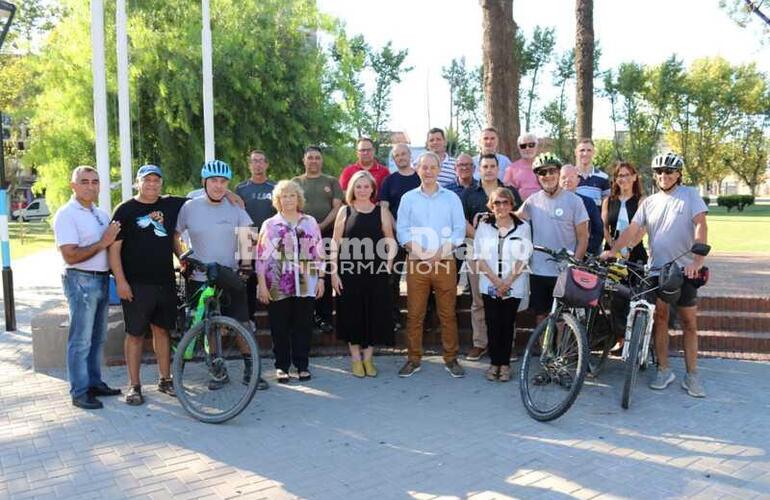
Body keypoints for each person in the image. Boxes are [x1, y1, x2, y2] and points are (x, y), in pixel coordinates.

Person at [602, 152, 709, 398]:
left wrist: (697, 261)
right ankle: (663, 369)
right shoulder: (649, 202)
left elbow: (701, 225)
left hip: (685, 269)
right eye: (659, 172)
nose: (664, 175)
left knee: (689, 323)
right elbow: (633, 230)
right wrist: (614, 251)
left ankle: (692, 375)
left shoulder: (690, 195)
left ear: (678, 174)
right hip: (656, 270)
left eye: (669, 171)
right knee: (659, 318)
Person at [174, 160, 264, 390]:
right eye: (213, 180)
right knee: (209, 325)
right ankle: (217, 370)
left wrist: (246, 265)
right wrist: (183, 256)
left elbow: (247, 235)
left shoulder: (234, 207)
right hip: (199, 276)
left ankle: (251, 370)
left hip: (229, 275)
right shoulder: (190, 207)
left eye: (223, 181)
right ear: (204, 182)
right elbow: (175, 234)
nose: (218, 185)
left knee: (242, 322)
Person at [109, 165, 186, 405]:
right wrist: (120, 281)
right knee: (135, 334)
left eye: (156, 180)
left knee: (162, 331)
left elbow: (204, 197)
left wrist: (232, 196)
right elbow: (114, 249)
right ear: (137, 183)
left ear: (161, 183)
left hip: (165, 282)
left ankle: (165, 379)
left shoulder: (170, 204)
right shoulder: (125, 210)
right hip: (135, 284)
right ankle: (134, 386)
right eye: (147, 180)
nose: (152, 184)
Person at [53, 166, 122, 410]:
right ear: (73, 185)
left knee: (97, 337)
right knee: (80, 340)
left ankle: (94, 383)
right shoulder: (66, 215)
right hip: (80, 280)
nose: (90, 186)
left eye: (95, 181)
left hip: (102, 279)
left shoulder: (100, 214)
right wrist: (103, 242)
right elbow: (70, 255)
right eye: (84, 181)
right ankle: (80, 391)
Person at [396, 152, 466, 378]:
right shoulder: (408, 198)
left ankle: (451, 359)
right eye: (424, 167)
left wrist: (438, 254)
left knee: (448, 314)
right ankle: (413, 359)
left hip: (445, 262)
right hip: (417, 263)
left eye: (432, 167)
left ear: (439, 169)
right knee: (415, 314)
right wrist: (422, 253)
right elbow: (402, 231)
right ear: (417, 169)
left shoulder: (451, 198)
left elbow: (459, 231)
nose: (428, 171)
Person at [256, 180, 325, 383]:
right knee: (279, 327)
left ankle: (302, 365)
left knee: (303, 325)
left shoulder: (310, 222)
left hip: (306, 281)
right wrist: (262, 285)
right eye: (284, 196)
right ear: (278, 200)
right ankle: (282, 366)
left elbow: (319, 252)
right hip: (277, 283)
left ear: (298, 198)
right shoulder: (269, 225)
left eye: (292, 195)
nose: (288, 199)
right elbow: (261, 257)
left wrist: (321, 278)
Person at [331, 171, 396, 377]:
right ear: (352, 189)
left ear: (372, 189)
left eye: (366, 186)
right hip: (349, 272)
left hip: (375, 271)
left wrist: (388, 264)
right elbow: (335, 243)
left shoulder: (381, 211)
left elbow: (390, 239)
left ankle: (368, 359)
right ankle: (356, 360)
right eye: (358, 186)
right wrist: (333, 272)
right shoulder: (345, 211)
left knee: (373, 313)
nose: (362, 190)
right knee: (352, 314)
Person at [461, 153, 522, 361]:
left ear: (498, 168)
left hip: (506, 252)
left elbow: (518, 218)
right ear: (479, 169)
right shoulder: (469, 193)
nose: (488, 170)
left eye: (492, 166)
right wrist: (481, 238)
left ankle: (507, 345)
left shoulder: (509, 192)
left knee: (507, 298)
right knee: (479, 300)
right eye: (484, 166)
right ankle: (480, 343)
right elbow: (463, 221)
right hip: (476, 251)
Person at [516, 153, 589, 324]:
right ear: (537, 176)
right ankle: (544, 343)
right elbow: (513, 217)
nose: (547, 176)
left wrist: (574, 266)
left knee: (562, 319)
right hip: (539, 270)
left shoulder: (575, 201)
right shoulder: (532, 201)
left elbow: (583, 237)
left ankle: (560, 343)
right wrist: (490, 216)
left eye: (551, 171)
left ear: (558, 172)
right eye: (542, 172)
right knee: (541, 316)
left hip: (564, 270)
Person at [473, 188, 530, 382]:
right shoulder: (484, 226)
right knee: (492, 324)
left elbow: (524, 257)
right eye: (497, 202)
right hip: (489, 284)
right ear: (491, 205)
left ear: (512, 204)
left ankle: (504, 365)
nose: (501, 206)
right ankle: (494, 363)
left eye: (505, 202)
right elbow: (478, 257)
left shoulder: (523, 227)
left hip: (514, 284)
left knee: (507, 324)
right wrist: (496, 282)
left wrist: (507, 282)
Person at [292, 146, 343, 334]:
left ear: (321, 160)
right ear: (304, 160)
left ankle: (324, 317)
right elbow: (290, 206)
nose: (313, 161)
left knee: (325, 275)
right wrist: (308, 227)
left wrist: (320, 226)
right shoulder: (296, 182)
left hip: (327, 233)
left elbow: (337, 207)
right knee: (305, 274)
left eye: (317, 158)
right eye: (310, 157)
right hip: (302, 235)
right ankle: (307, 316)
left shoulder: (331, 181)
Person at [379, 143, 422, 329]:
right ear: (394, 159)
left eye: (404, 154)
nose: (401, 157)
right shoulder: (389, 181)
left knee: (421, 279)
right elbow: (384, 208)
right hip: (395, 235)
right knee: (392, 278)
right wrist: (399, 228)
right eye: (397, 155)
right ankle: (394, 317)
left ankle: (421, 319)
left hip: (420, 237)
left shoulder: (420, 177)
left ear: (410, 155)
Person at [235, 150, 277, 332]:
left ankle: (276, 319)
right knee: (248, 281)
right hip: (247, 236)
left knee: (272, 278)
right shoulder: (241, 188)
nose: (258, 164)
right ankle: (249, 320)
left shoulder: (274, 187)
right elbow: (237, 214)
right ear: (249, 164)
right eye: (254, 161)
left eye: (261, 161)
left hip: (270, 238)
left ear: (267, 164)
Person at [602, 160, 647, 265]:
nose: (624, 179)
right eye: (620, 176)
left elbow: (643, 228)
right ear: (616, 179)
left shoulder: (642, 201)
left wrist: (629, 247)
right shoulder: (607, 201)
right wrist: (613, 245)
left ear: (634, 177)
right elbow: (604, 227)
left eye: (627, 175)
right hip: (611, 253)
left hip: (634, 252)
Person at [560, 164, 604, 256]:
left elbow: (598, 230)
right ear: (558, 180)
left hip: (582, 255)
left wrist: (587, 250)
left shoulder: (588, 203)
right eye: (564, 177)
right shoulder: (552, 203)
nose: (567, 180)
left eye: (571, 177)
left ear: (578, 181)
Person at [503, 132, 542, 201]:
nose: (527, 148)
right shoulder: (511, 169)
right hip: (520, 205)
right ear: (519, 148)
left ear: (537, 146)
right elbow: (507, 192)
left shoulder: (545, 166)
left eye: (531, 145)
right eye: (523, 146)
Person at [574, 138, 610, 207]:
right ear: (576, 152)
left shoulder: (603, 177)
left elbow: (606, 203)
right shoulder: (569, 177)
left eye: (589, 150)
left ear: (594, 152)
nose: (585, 153)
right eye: (582, 150)